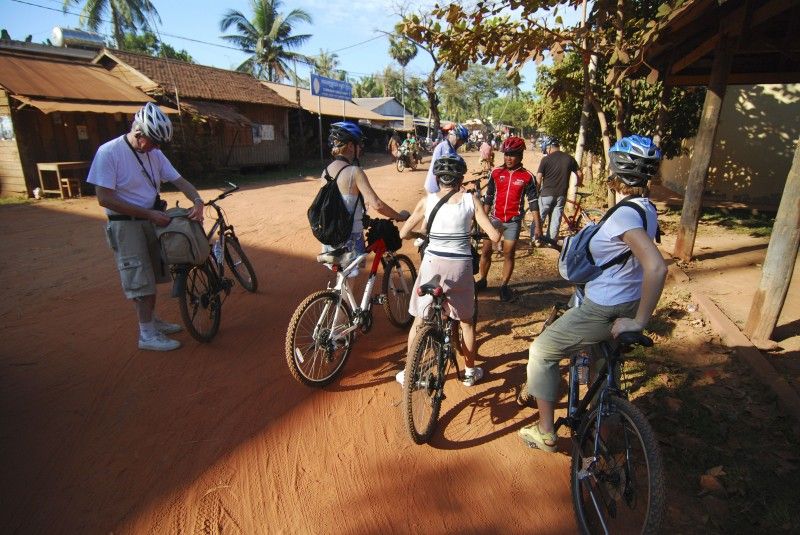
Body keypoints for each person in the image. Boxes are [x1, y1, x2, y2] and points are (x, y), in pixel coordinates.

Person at [517, 135, 667, 452]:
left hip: (604, 308)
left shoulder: (625, 215)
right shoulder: (645, 208)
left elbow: (656, 267)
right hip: (627, 300)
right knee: (602, 366)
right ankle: (602, 432)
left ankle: (545, 431)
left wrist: (640, 322)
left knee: (541, 352)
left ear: (615, 169)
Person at [88, 102, 205, 352]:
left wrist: (197, 200)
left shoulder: (154, 153)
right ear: (138, 133)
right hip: (126, 225)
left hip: (151, 220)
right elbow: (104, 198)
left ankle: (152, 321)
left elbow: (179, 180)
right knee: (139, 279)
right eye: (153, 141)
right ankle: (147, 334)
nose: (156, 147)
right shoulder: (109, 152)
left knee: (152, 273)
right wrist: (149, 214)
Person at [398, 155, 501, 387]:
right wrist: (499, 227)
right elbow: (493, 237)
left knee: (418, 321)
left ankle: (408, 373)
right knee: (466, 323)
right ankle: (469, 372)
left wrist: (422, 236)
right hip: (460, 268)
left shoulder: (427, 201)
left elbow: (404, 233)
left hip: (432, 265)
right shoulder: (470, 200)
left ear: (437, 178)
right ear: (460, 179)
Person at [318, 122, 410, 269]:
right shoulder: (355, 172)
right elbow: (377, 204)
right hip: (350, 236)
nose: (360, 148)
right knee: (350, 280)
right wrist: (399, 216)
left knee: (344, 278)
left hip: (330, 235)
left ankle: (338, 293)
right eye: (358, 144)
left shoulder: (326, 171)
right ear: (350, 145)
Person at [475, 136, 542, 302]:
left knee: (509, 253)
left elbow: (534, 203)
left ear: (520, 156)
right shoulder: (496, 173)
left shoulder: (528, 177)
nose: (508, 158)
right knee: (485, 251)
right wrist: (483, 221)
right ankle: (482, 279)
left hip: (513, 220)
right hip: (494, 218)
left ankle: (504, 285)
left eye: (512, 155)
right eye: (506, 154)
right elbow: (489, 198)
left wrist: (538, 226)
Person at [535, 138, 583, 246]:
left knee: (540, 217)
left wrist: (537, 191)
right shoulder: (569, 158)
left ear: (549, 147)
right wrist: (579, 183)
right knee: (556, 219)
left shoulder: (545, 160)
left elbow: (538, 178)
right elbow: (579, 173)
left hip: (546, 194)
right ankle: (551, 241)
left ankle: (535, 239)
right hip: (561, 194)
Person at [424, 123, 469, 193]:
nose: (461, 144)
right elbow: (449, 171)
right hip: (435, 187)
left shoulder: (449, 147)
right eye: (461, 141)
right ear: (456, 137)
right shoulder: (446, 148)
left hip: (439, 185)